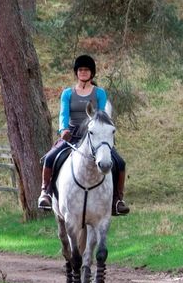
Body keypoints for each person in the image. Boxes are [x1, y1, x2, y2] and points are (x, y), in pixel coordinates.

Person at [38, 54, 130, 215]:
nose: (83, 72)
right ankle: (45, 193)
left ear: (92, 73)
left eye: (86, 70)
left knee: (120, 163)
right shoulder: (67, 93)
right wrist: (63, 130)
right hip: (72, 136)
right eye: (80, 70)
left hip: (94, 136)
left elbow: (102, 116)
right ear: (76, 72)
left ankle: (117, 200)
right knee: (49, 158)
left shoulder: (99, 93)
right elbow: (63, 114)